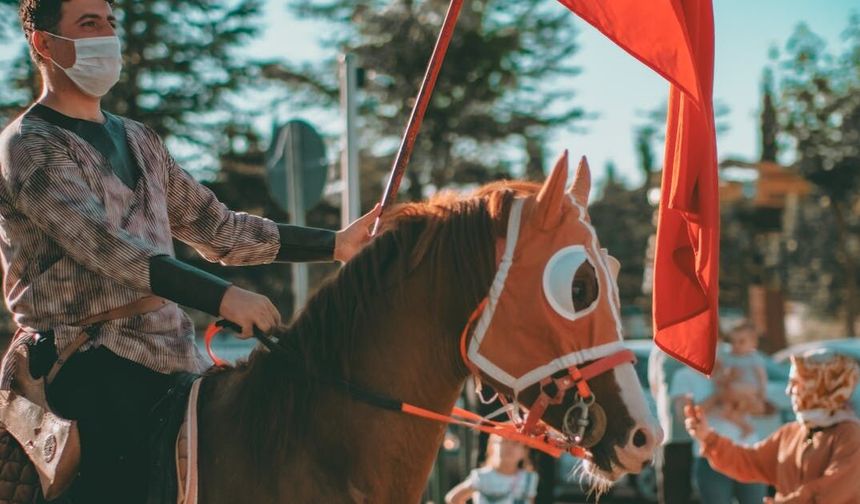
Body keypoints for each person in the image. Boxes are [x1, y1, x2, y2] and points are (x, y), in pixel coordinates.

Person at [0, 0, 378, 502]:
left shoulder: (139, 139)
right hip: (82, 366)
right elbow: (112, 251)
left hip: (173, 351)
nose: (107, 37)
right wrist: (224, 298)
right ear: (44, 43)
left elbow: (217, 228)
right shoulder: (28, 145)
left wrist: (334, 245)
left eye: (110, 24)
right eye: (88, 24)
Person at [686, 349, 860, 504]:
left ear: (823, 386)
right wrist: (708, 437)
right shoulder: (791, 433)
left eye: (797, 383)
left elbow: (834, 489)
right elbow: (750, 462)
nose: (789, 391)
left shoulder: (850, 435)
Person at [670, 357, 768, 504]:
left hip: (748, 452)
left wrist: (740, 400)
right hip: (710, 457)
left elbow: (760, 409)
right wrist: (718, 395)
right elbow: (684, 415)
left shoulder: (734, 366)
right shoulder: (684, 376)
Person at [647, 347, 694, 504]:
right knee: (673, 492)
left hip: (699, 432)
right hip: (672, 434)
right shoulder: (661, 347)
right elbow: (655, 385)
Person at [445, 434, 539, 504]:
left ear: (525, 451)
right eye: (504, 441)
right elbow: (453, 498)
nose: (509, 447)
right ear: (493, 447)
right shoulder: (483, 476)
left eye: (516, 443)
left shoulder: (529, 478)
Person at [718, 320, 769, 436]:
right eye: (733, 342)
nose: (736, 345)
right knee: (726, 412)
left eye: (741, 342)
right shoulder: (729, 357)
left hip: (750, 387)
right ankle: (745, 427)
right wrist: (729, 376)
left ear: (753, 344)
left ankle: (745, 408)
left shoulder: (753, 357)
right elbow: (724, 375)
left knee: (731, 389)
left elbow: (762, 376)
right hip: (735, 390)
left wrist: (762, 393)